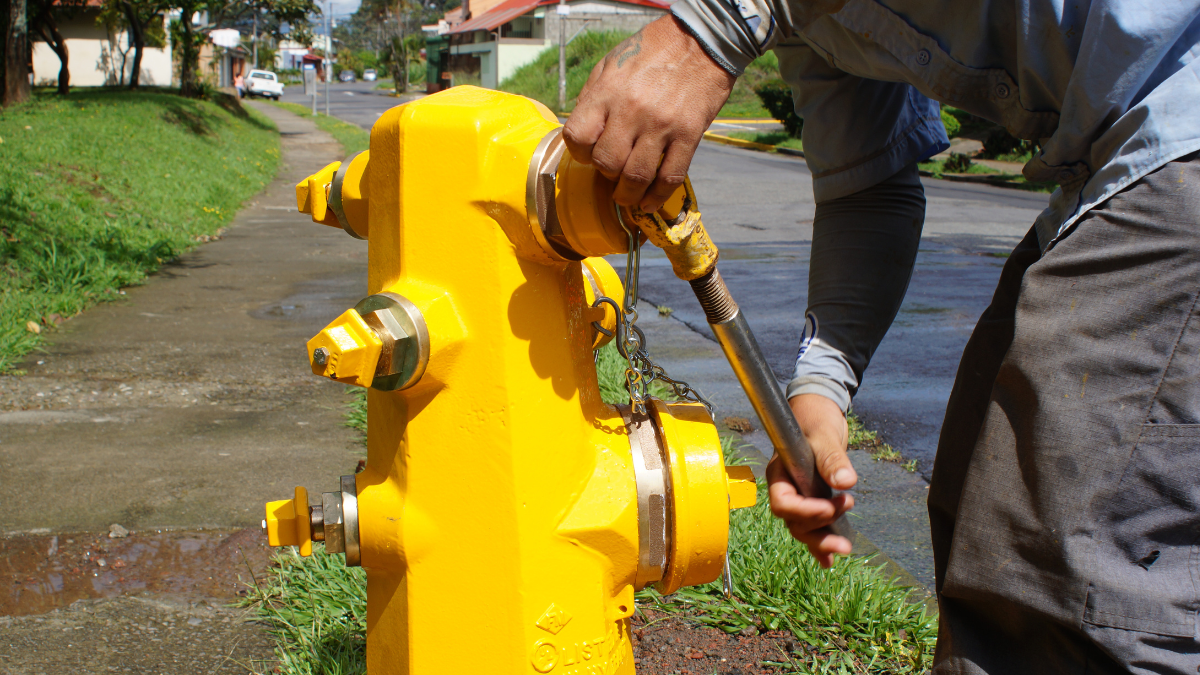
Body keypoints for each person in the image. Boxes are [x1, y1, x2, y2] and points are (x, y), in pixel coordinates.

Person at [562, 3, 1200, 673]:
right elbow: (868, 185)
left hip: (1173, 128)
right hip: (1113, 159)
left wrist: (709, 29)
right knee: (978, 517)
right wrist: (819, 397)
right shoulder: (810, 22)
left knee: (1058, 584)